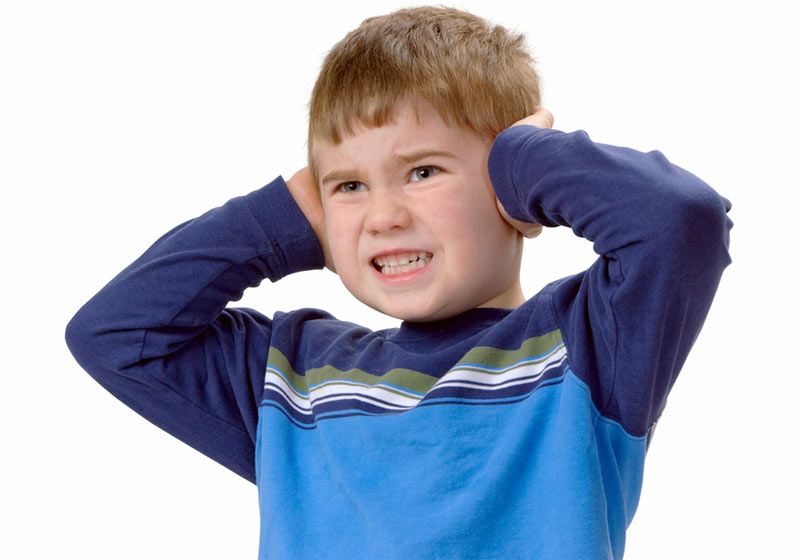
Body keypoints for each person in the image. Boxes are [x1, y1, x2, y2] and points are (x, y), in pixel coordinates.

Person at [64, 5, 733, 559]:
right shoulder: (289, 380)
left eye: (423, 172)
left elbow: (680, 222)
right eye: (349, 186)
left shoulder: (590, 346)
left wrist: (524, 162)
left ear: (511, 194)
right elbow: (115, 334)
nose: (383, 215)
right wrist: (280, 222)